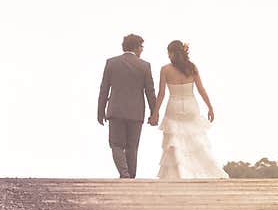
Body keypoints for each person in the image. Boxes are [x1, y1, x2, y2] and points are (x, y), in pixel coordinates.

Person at [149, 40, 228, 179]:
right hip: (191, 106)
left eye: (168, 52)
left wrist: (155, 113)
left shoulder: (165, 69)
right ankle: (204, 171)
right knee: (196, 140)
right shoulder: (192, 68)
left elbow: (161, 94)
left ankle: (179, 173)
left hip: (173, 106)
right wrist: (210, 107)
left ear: (172, 53)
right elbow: (201, 90)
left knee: (175, 140)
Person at [98, 34, 157, 179]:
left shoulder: (111, 63)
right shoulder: (144, 66)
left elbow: (104, 89)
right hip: (136, 113)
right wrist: (154, 113)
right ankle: (131, 177)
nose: (142, 50)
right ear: (136, 47)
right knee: (132, 147)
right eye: (141, 47)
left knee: (116, 145)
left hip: (115, 111)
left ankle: (124, 174)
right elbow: (150, 91)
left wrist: (100, 111)